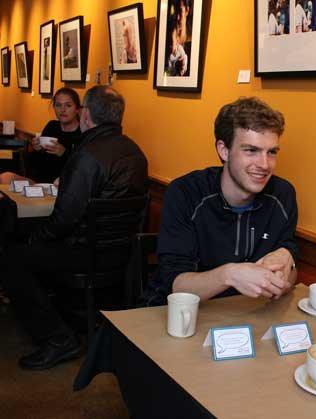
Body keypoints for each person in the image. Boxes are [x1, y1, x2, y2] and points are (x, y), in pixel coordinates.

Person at [3, 85, 148, 370]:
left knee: (11, 257)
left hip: (85, 253)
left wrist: (35, 240)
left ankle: (58, 338)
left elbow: (63, 219)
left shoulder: (88, 156)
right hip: (124, 255)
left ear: (86, 114)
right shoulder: (136, 153)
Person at [140, 97, 297, 306]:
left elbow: (290, 272)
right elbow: (174, 285)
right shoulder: (185, 193)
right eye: (251, 150)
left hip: (246, 318)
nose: (264, 164)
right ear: (223, 150)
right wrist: (229, 275)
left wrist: (286, 266)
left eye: (271, 152)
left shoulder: (282, 195)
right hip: (177, 315)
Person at [0, 87, 82, 184]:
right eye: (58, 105)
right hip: (39, 184)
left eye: (68, 105)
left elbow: (82, 170)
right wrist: (37, 150)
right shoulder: (52, 126)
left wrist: (64, 153)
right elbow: (35, 166)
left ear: (77, 109)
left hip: (65, 186)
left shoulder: (82, 133)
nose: (62, 110)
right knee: (4, 177)